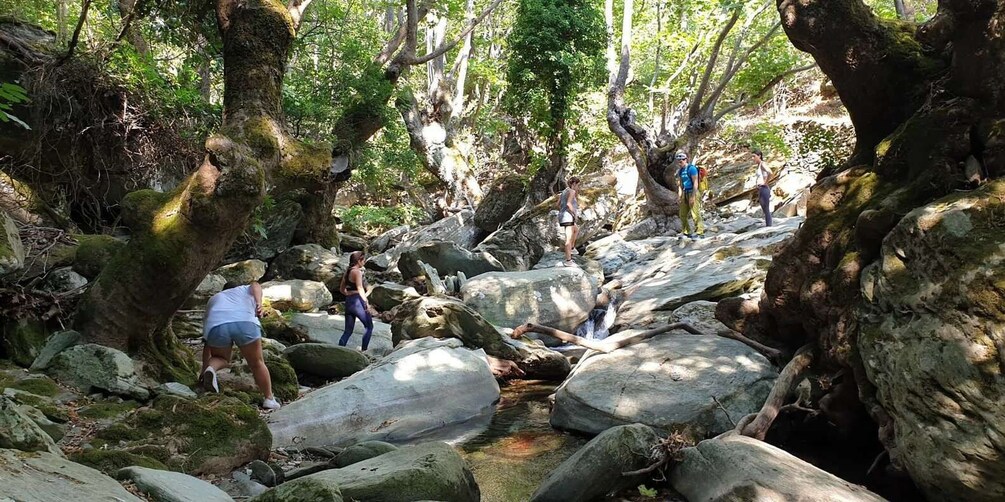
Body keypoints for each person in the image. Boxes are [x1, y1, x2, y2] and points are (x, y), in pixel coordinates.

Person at [200, 281, 280, 410]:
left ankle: (211, 370)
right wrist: (259, 303)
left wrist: (204, 370)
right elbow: (255, 285)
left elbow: (207, 343)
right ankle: (269, 399)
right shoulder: (244, 289)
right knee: (257, 363)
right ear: (237, 286)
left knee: (221, 359)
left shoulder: (214, 299)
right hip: (244, 322)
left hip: (217, 326)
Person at [337, 251, 374, 351]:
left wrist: (348, 294)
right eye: (363, 259)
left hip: (349, 302)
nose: (365, 261)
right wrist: (366, 303)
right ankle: (364, 351)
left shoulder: (348, 271)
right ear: (358, 261)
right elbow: (360, 288)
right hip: (358, 302)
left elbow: (341, 289)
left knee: (348, 331)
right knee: (369, 326)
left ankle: (339, 349)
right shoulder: (357, 272)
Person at [675, 152, 704, 239]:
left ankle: (700, 233)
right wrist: (679, 196)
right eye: (679, 161)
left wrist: (693, 196)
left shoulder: (692, 169)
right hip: (685, 192)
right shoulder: (680, 171)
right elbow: (680, 184)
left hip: (693, 191)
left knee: (695, 213)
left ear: (686, 159)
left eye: (682, 160)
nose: (680, 162)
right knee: (682, 214)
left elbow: (695, 182)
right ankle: (686, 232)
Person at [558, 176, 581, 267]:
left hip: (563, 216)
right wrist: (574, 214)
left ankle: (572, 248)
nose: (578, 187)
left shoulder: (564, 192)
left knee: (576, 229)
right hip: (568, 217)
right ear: (574, 184)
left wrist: (562, 211)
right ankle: (568, 261)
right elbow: (568, 203)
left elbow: (558, 204)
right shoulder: (572, 191)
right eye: (578, 185)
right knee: (568, 239)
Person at [753, 149, 772, 227]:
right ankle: (768, 224)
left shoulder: (762, 164)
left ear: (759, 156)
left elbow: (770, 172)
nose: (752, 158)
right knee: (764, 208)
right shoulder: (759, 166)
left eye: (754, 156)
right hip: (761, 188)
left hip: (764, 188)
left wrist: (765, 183)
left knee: (766, 208)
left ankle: (769, 226)